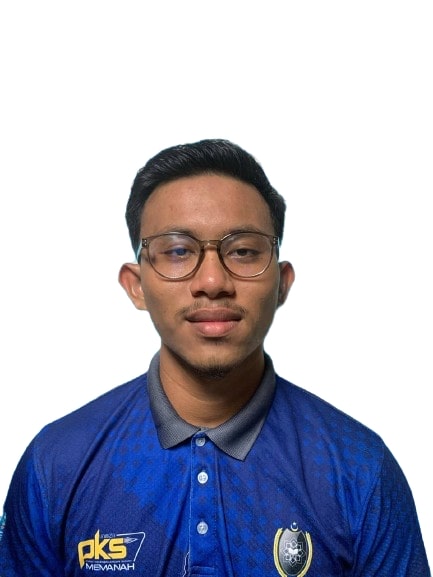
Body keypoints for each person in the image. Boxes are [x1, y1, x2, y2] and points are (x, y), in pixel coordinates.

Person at [0, 139, 430, 577]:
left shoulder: (360, 469)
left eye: (242, 251)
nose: (212, 281)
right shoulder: (56, 464)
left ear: (282, 283)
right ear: (136, 285)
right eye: (177, 251)